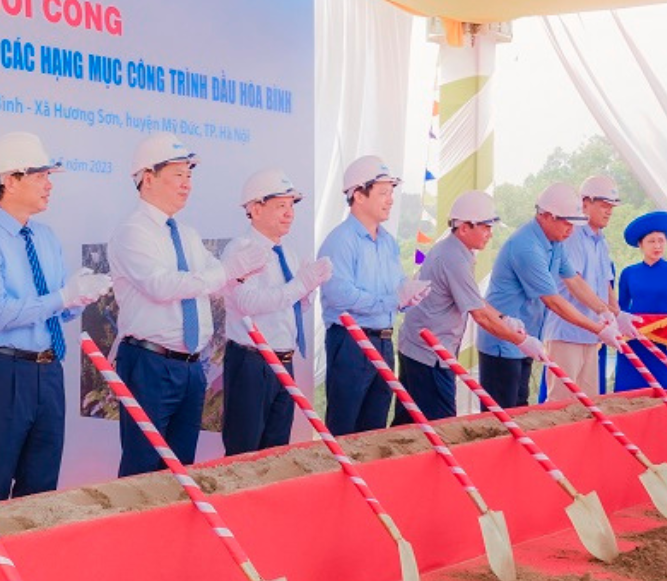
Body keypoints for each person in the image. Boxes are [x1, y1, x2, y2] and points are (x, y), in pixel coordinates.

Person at [0, 131, 109, 501]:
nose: (49, 185)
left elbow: (54, 310)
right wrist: (61, 297)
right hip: (2, 372)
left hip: (49, 370)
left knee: (42, 485)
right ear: (10, 180)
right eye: (40, 176)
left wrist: (77, 299)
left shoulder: (45, 237)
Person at [108, 133, 256, 474]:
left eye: (189, 175)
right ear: (147, 178)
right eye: (178, 175)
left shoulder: (186, 234)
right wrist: (226, 272)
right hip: (149, 362)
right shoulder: (133, 232)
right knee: (142, 469)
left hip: (190, 366)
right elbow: (162, 286)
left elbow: (213, 281)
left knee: (180, 468)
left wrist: (241, 272)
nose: (187, 184)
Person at [394, 190, 532, 421]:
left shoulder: (456, 251)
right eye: (485, 227)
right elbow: (480, 315)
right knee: (441, 423)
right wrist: (521, 341)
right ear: (464, 227)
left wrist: (504, 319)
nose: (489, 234)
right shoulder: (454, 258)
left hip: (422, 347)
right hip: (429, 353)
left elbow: (474, 299)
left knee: (410, 421)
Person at [220, 168, 331, 453]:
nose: (289, 213)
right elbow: (248, 303)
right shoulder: (241, 250)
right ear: (256, 209)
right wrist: (299, 285)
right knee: (244, 452)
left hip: (284, 360)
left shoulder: (289, 254)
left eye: (291, 205)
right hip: (251, 362)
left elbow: (289, 309)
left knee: (276, 452)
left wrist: (307, 291)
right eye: (281, 205)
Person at [476, 183, 610, 409]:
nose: (571, 230)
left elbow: (574, 280)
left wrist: (603, 310)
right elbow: (554, 301)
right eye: (567, 223)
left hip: (526, 337)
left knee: (520, 408)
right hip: (502, 340)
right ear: (547, 216)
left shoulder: (556, 242)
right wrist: (598, 329)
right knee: (501, 415)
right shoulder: (526, 246)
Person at [316, 155, 421, 435]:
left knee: (375, 429)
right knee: (345, 427)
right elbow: (339, 294)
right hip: (351, 342)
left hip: (384, 340)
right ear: (358, 195)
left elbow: (397, 284)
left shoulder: (387, 241)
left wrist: (409, 294)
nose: (390, 200)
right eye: (383, 193)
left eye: (391, 193)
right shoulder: (340, 240)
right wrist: (390, 301)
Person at [539, 174, 622, 393]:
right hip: (567, 332)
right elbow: (574, 283)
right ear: (585, 203)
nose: (609, 211)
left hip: (592, 334)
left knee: (589, 404)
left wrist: (618, 314)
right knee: (562, 403)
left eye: (611, 206)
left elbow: (606, 283)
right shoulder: (572, 235)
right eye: (604, 205)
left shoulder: (601, 240)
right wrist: (604, 311)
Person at [613, 211, 667, 393]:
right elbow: (621, 307)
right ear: (640, 244)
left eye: (661, 241)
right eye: (651, 241)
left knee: (666, 388)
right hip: (633, 338)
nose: (657, 246)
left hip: (663, 340)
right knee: (630, 392)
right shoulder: (629, 273)